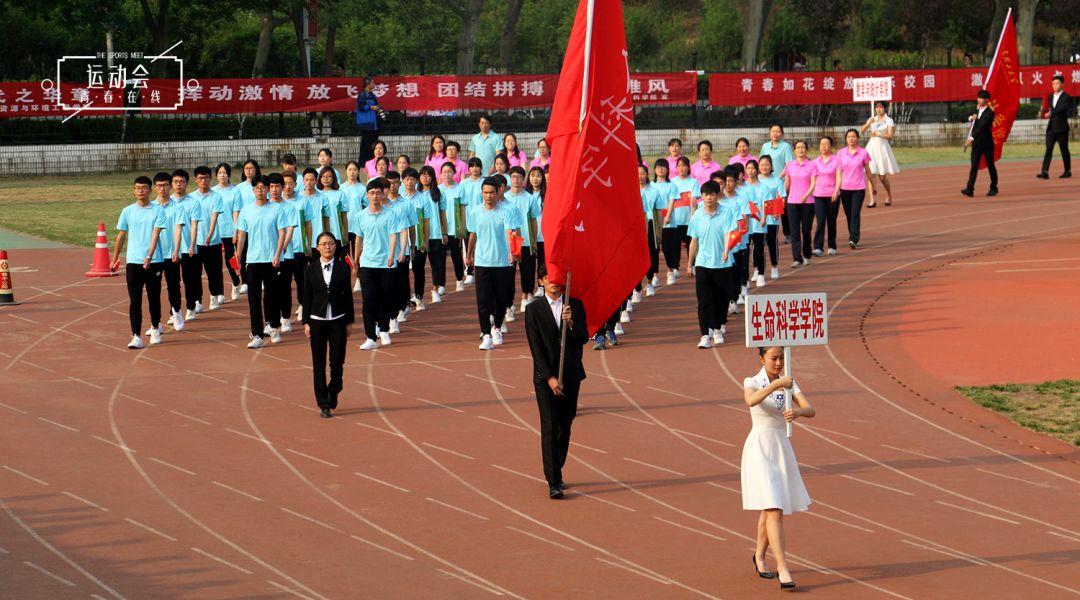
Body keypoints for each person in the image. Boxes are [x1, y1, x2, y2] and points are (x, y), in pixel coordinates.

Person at [742, 346, 815, 590]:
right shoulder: (752, 381)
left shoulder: (790, 383)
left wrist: (798, 412)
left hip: (781, 448)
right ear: (761, 358)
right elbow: (750, 400)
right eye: (774, 358)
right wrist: (776, 385)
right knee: (774, 508)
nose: (778, 362)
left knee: (770, 508)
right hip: (760, 448)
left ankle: (760, 557)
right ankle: (783, 568)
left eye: (781, 358)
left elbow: (811, 409)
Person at [525, 263, 589, 499]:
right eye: (547, 277)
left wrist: (571, 323)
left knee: (565, 424)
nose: (553, 281)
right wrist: (550, 377)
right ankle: (553, 479)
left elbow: (583, 337)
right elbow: (536, 347)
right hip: (546, 379)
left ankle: (557, 464)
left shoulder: (575, 305)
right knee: (550, 426)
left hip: (571, 374)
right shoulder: (533, 310)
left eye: (556, 277)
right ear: (541, 281)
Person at [303, 232, 355, 418]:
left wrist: (350, 321)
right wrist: (306, 322)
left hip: (338, 319)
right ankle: (323, 403)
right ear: (317, 247)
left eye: (331, 243)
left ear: (335, 246)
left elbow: (348, 295)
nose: (327, 247)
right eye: (323, 244)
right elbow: (307, 297)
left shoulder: (343, 268)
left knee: (336, 361)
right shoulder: (310, 270)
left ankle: (334, 388)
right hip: (317, 321)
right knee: (319, 364)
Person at [467, 177, 522, 350]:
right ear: (482, 193)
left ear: (498, 192)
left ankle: (497, 327)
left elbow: (510, 233)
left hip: (503, 262)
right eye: (485, 193)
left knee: (502, 299)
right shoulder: (475, 212)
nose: (489, 196)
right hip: (483, 262)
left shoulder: (506, 211)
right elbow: (472, 235)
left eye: (492, 192)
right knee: (483, 300)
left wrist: (514, 252)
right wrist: (469, 256)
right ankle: (486, 334)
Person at [111, 176, 167, 349]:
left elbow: (156, 234)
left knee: (153, 296)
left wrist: (149, 256)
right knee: (134, 300)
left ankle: (155, 327)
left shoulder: (158, 211)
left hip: (154, 260)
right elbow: (121, 235)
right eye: (137, 188)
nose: (140, 190)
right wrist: (115, 258)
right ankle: (136, 335)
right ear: (134, 190)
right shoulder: (127, 211)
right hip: (133, 262)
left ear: (150, 190)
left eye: (144, 187)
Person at [235, 175, 288, 349]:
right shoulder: (246, 210)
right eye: (257, 188)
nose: (260, 190)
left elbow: (282, 233)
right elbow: (242, 235)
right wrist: (238, 256)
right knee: (253, 299)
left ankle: (273, 327)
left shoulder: (277, 209)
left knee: (272, 297)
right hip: (253, 260)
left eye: (263, 187)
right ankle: (256, 334)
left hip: (272, 260)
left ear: (267, 189)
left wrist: (278, 254)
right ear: (253, 190)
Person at [688, 180, 738, 348]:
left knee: (721, 299)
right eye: (705, 195)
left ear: (717, 196)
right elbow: (693, 241)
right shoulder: (697, 215)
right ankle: (705, 335)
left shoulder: (726, 213)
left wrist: (726, 250)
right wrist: (690, 264)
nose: (708, 198)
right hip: (703, 264)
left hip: (723, 264)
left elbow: (728, 233)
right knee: (704, 300)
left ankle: (717, 329)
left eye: (711, 194)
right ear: (701, 196)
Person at [353, 179, 402, 349]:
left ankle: (384, 328)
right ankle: (370, 336)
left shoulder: (390, 214)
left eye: (378, 192)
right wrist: (356, 259)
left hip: (386, 263)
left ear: (382, 194)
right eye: (371, 193)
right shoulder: (360, 216)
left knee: (386, 297)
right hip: (367, 263)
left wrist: (391, 255)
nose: (374, 196)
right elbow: (359, 238)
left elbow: (393, 236)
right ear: (367, 195)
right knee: (368, 300)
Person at [152, 172, 186, 332]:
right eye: (159, 185)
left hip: (171, 252)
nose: (162, 188)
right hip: (155, 255)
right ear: (155, 187)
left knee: (173, 285)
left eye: (165, 185)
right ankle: (156, 323)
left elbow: (178, 229)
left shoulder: (177, 207)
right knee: (154, 289)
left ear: (170, 186)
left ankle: (177, 311)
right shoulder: (151, 207)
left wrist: (176, 249)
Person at [172, 169, 207, 320]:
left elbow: (194, 226)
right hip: (170, 250)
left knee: (189, 279)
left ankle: (191, 306)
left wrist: (192, 244)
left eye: (182, 181)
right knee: (172, 282)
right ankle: (175, 311)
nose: (178, 184)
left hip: (187, 247)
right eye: (175, 182)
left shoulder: (193, 203)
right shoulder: (166, 202)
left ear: (187, 183)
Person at [505, 166, 542, 311]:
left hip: (526, 241)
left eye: (519, 177)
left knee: (528, 271)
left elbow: (533, 220)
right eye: (513, 177)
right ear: (510, 178)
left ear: (523, 179)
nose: (516, 180)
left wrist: (533, 240)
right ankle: (509, 303)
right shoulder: (505, 198)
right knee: (509, 274)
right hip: (510, 242)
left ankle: (526, 296)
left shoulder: (529, 198)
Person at [267, 173, 299, 334]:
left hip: (286, 256)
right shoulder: (263, 207)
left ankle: (285, 318)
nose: (274, 190)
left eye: (277, 186)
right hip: (266, 256)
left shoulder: (289, 207)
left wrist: (283, 247)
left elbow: (290, 228)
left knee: (284, 288)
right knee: (269, 291)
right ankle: (270, 321)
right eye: (271, 187)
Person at [662, 157, 701, 284]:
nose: (682, 168)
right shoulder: (672, 182)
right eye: (679, 166)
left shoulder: (693, 182)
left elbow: (694, 201)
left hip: (689, 219)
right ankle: (675, 267)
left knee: (691, 243)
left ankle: (692, 265)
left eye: (684, 166)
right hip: (675, 220)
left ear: (688, 167)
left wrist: (693, 216)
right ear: (676, 168)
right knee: (675, 245)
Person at [191, 166, 225, 310]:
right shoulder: (191, 197)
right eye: (200, 178)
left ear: (210, 179)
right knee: (195, 273)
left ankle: (214, 296)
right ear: (195, 180)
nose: (203, 181)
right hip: (195, 242)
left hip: (213, 241)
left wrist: (210, 234)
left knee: (213, 271)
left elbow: (214, 217)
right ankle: (198, 300)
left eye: (206, 178)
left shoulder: (216, 196)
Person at [837, 129, 875, 250]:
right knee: (849, 214)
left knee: (855, 213)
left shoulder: (863, 153)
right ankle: (853, 234)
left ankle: (854, 238)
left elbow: (868, 170)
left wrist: (874, 185)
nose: (851, 139)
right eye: (849, 137)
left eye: (853, 136)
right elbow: (837, 171)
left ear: (857, 138)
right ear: (846, 139)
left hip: (858, 188)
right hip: (844, 188)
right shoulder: (841, 153)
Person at [417, 165, 450, 304]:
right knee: (419, 266)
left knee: (436, 265)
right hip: (420, 236)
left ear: (433, 177)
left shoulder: (438, 193)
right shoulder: (415, 195)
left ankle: (435, 290)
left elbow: (442, 214)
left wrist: (444, 232)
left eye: (428, 175)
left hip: (435, 234)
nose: (425, 177)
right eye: (423, 175)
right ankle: (419, 295)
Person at [782, 141, 816, 268]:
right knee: (795, 232)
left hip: (808, 202)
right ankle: (797, 258)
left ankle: (807, 254)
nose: (801, 150)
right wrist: (782, 195)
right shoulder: (790, 165)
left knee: (806, 230)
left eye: (803, 147)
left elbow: (813, 183)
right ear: (794, 151)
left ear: (806, 150)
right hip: (792, 202)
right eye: (798, 148)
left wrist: (807, 195)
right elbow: (787, 182)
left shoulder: (812, 165)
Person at [213, 163, 244, 300]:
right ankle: (220, 292)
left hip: (229, 230)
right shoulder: (212, 191)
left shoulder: (235, 191)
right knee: (215, 264)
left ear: (229, 175)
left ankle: (236, 283)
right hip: (215, 232)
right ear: (216, 175)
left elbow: (236, 211)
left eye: (225, 172)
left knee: (230, 260)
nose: (222, 175)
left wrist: (236, 230)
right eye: (220, 172)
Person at [759, 125, 795, 243]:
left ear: (782, 134)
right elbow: (762, 162)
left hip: (781, 182)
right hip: (766, 182)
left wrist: (779, 177)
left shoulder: (785, 146)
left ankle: (787, 233)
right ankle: (764, 234)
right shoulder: (765, 146)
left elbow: (789, 164)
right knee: (765, 207)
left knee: (781, 208)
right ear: (769, 133)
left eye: (778, 131)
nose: (775, 134)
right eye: (773, 131)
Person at [860, 101, 900, 206]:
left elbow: (890, 136)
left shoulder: (889, 120)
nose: (879, 109)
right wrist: (869, 123)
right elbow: (862, 131)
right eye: (877, 107)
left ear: (885, 109)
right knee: (870, 174)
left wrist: (878, 134)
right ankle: (872, 200)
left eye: (881, 107)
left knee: (882, 177)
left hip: (882, 148)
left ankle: (889, 195)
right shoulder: (873, 119)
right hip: (871, 148)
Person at [961, 90, 998, 198]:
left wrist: (971, 138)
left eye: (981, 98)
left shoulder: (990, 113)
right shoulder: (975, 111)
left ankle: (994, 187)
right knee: (974, 166)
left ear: (987, 100)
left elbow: (982, 127)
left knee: (990, 165)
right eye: (978, 97)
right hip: (977, 145)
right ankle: (970, 189)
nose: (979, 99)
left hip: (986, 144)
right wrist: (970, 118)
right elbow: (961, 118)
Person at [811, 136, 842, 257]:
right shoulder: (814, 162)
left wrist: (836, 191)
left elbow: (839, 177)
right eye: (821, 144)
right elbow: (812, 179)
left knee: (831, 220)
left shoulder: (836, 160)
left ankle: (832, 246)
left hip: (832, 195)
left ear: (831, 146)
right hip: (818, 195)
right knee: (820, 220)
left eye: (826, 144)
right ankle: (818, 247)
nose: (824, 147)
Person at [439, 163, 467, 291]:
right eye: (444, 172)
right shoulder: (438, 189)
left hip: (454, 228)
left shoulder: (460, 189)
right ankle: (441, 284)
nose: (446, 174)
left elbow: (462, 210)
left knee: (456, 255)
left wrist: (462, 227)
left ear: (454, 173)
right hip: (441, 229)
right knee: (440, 258)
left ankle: (459, 279)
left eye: (449, 171)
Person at [1038, 75, 1072, 179]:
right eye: (1053, 84)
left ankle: (1067, 170)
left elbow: (1062, 109)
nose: (1055, 86)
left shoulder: (1066, 97)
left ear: (1062, 84)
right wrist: (1045, 112)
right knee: (1048, 149)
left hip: (1062, 127)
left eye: (1057, 83)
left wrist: (1051, 113)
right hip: (1051, 127)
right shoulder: (1050, 96)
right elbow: (1049, 108)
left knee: (1064, 150)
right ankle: (1045, 171)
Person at [757, 156, 783, 280]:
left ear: (771, 166)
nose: (764, 167)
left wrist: (777, 211)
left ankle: (774, 267)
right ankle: (757, 269)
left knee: (772, 242)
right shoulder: (755, 180)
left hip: (772, 216)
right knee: (757, 245)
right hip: (757, 218)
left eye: (767, 164)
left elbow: (781, 196)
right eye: (762, 165)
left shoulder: (776, 180)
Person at [355, 77, 382, 164]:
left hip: (374, 124)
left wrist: (377, 107)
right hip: (366, 123)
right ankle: (363, 162)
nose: (374, 84)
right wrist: (371, 107)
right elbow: (361, 107)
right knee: (365, 144)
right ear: (367, 84)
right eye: (372, 82)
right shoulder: (362, 95)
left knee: (373, 144)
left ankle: (372, 161)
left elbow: (375, 106)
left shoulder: (372, 95)